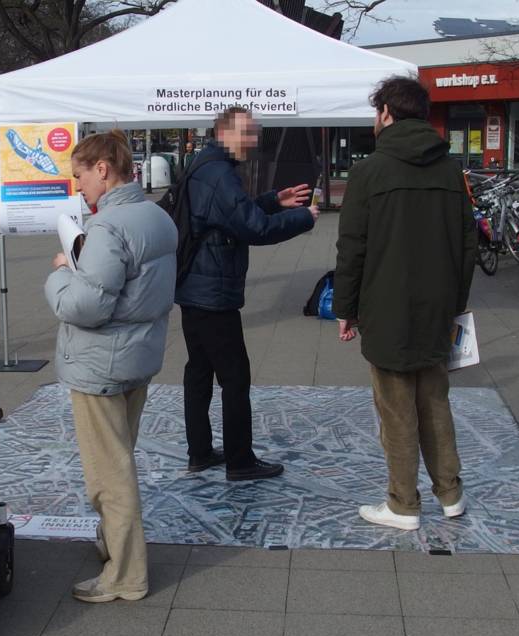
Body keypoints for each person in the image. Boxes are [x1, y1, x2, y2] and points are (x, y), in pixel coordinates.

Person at [334, 76, 477, 531]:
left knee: (397, 410)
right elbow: (467, 244)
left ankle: (403, 504)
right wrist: (455, 303)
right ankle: (450, 494)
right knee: (435, 400)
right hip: (438, 307)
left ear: (385, 114)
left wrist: (345, 308)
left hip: (387, 308)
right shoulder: (451, 169)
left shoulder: (369, 171)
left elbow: (352, 247)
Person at [44, 130, 177, 603]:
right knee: (119, 459)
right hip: (137, 356)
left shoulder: (109, 226)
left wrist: (61, 271)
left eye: (79, 175)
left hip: (101, 362)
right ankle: (114, 549)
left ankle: (125, 574)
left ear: (102, 168)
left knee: (109, 476)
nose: (77, 186)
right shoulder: (155, 216)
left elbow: (85, 306)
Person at [176, 106, 319, 482]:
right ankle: (240, 462)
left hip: (194, 287)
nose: (254, 141)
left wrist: (274, 200)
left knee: (199, 372)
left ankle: (201, 452)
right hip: (213, 292)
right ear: (224, 132)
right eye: (248, 133)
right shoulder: (220, 173)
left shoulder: (204, 165)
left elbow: (229, 215)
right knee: (235, 378)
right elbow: (253, 228)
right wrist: (304, 217)